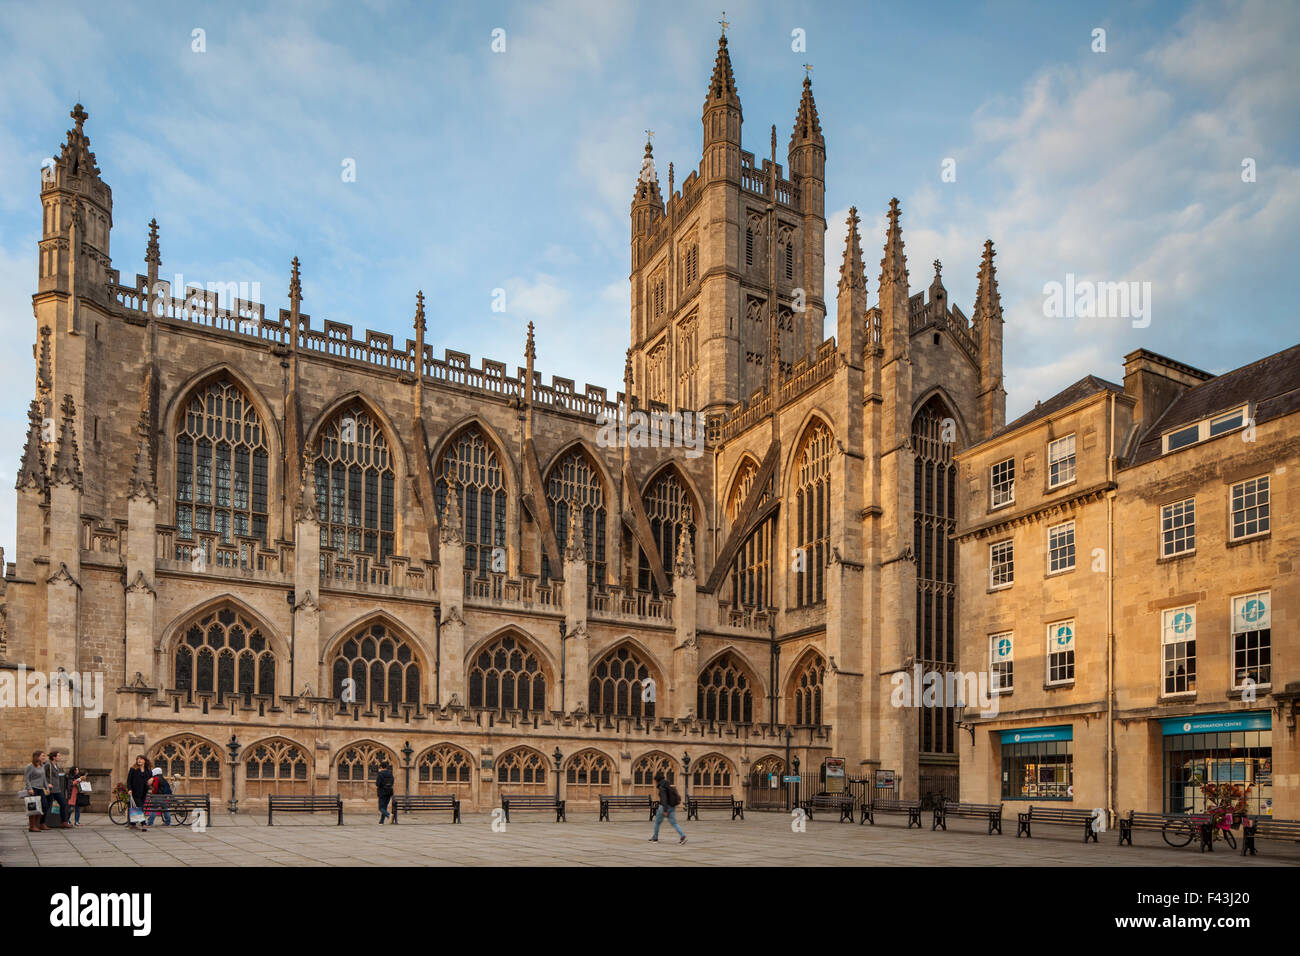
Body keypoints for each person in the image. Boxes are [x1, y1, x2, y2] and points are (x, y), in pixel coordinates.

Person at [649, 771, 686, 844]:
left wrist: (665, 810)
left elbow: (664, 799)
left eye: (655, 781)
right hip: (672, 807)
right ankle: (682, 835)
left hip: (664, 807)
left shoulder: (662, 787)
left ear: (657, 780)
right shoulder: (668, 786)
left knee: (657, 822)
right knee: (674, 823)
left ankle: (655, 838)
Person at [44, 749, 75, 829]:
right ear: (54, 757)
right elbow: (42, 775)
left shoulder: (56, 766)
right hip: (50, 789)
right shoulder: (48, 765)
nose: (60, 757)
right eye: (58, 756)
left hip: (57, 789)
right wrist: (47, 784)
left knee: (64, 804)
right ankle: (42, 823)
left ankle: (64, 822)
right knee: (47, 806)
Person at [24, 751, 49, 833]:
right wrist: (29, 788)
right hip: (33, 789)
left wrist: (47, 787)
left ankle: (38, 824)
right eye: (42, 756)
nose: (44, 757)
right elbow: (26, 778)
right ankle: (32, 826)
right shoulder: (30, 766)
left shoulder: (42, 766)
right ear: (37, 757)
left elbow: (44, 778)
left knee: (44, 806)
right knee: (33, 807)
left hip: (40, 789)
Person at [126, 755, 151, 830]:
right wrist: (129, 789)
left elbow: (150, 778)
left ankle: (132, 824)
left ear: (144, 761)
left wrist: (152, 779)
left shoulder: (147, 770)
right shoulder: (133, 769)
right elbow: (129, 780)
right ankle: (143, 824)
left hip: (143, 792)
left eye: (141, 759)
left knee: (136, 808)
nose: (139, 760)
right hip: (135, 792)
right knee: (140, 808)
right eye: (138, 759)